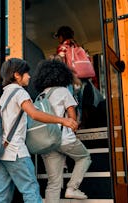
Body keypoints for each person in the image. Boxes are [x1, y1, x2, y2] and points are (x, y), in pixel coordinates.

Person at [0, 58, 78, 203]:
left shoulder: (5, 94)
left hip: (3, 152)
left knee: (2, 194)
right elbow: (35, 114)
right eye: (26, 73)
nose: (29, 76)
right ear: (16, 75)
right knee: (31, 190)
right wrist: (63, 120)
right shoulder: (20, 92)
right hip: (16, 152)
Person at [33, 59, 92, 202]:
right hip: (63, 139)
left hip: (47, 143)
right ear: (62, 74)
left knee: (53, 183)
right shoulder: (63, 91)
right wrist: (74, 129)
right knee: (84, 157)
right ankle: (72, 187)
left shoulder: (40, 96)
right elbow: (72, 116)